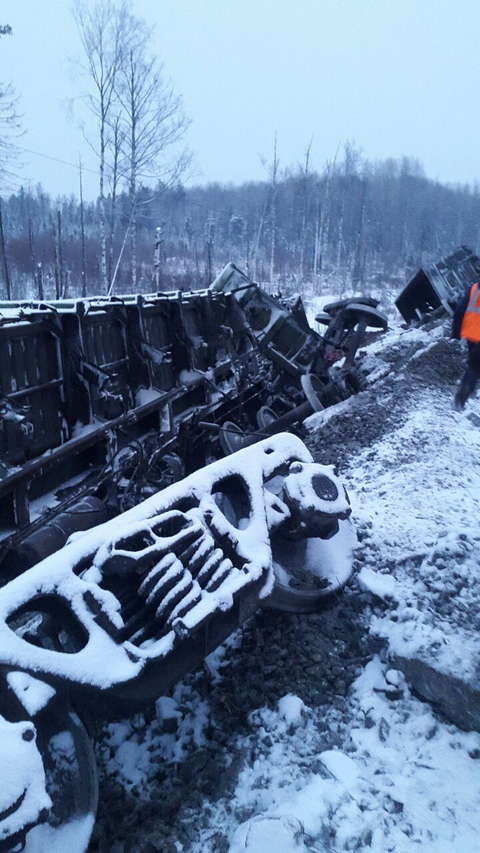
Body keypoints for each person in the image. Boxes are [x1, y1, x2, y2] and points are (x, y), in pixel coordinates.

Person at [452, 281, 480, 410]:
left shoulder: (474, 288)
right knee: (474, 368)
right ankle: (460, 399)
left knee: (474, 366)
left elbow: (459, 310)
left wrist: (456, 332)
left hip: (471, 334)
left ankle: (463, 396)